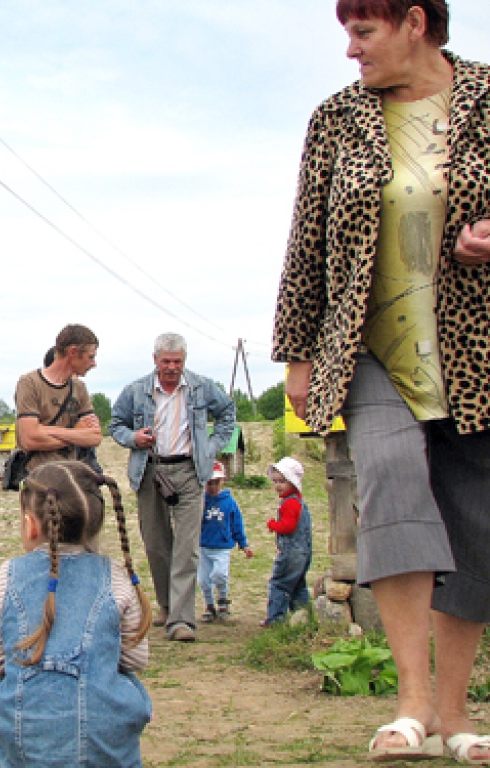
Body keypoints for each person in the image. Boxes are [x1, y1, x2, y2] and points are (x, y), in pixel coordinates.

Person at [271, 0, 490, 760]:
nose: (350, 51)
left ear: (415, 22)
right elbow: (307, 239)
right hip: (370, 351)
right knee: (392, 483)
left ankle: (459, 712)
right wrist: (297, 354)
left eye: (363, 32)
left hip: (477, 352)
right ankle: (411, 702)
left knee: (474, 519)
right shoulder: (336, 118)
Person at [0, 461, 153, 767]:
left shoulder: (6, 576)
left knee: (2, 680)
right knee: (119, 676)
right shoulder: (116, 577)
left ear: (30, 524)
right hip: (103, 745)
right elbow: (136, 660)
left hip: (25, 743)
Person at [108, 332, 236, 642]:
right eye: (166, 361)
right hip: (150, 470)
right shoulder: (136, 390)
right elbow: (115, 425)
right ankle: (166, 605)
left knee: (187, 548)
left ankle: (181, 621)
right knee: (156, 545)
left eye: (177, 362)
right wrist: (133, 438)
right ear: (155, 360)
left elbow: (228, 414)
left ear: (184, 361)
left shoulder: (202, 387)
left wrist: (210, 446)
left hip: (190, 471)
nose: (171, 367)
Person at [14, 324, 102, 475]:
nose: (94, 364)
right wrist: (76, 433)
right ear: (73, 352)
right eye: (90, 357)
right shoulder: (29, 383)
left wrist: (44, 431)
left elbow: (95, 437)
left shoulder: (79, 387)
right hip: (39, 478)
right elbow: (30, 439)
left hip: (73, 476)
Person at [198, 461, 253, 623]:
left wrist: (243, 544)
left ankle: (223, 601)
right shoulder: (200, 501)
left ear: (222, 481)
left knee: (220, 574)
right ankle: (209, 606)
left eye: (215, 483)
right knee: (203, 579)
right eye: (209, 483)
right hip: (203, 546)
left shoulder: (229, 503)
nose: (212, 487)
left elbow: (237, 524)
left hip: (222, 547)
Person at [260, 457, 312, 627]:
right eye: (275, 481)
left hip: (291, 552)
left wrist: (273, 525)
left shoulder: (290, 504)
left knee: (279, 584)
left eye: (282, 481)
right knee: (298, 585)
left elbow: (288, 526)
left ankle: (275, 619)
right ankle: (303, 617)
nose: (278, 486)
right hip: (304, 552)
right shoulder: (299, 502)